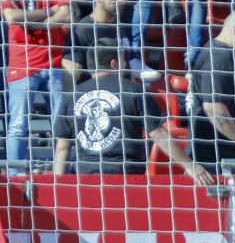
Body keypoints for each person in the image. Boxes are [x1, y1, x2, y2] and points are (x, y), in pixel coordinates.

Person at [53, 38, 214, 182]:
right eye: (124, 61)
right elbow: (158, 134)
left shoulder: (71, 97)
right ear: (114, 64)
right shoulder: (133, 90)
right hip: (126, 176)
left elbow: (62, 147)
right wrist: (190, 165)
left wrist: (57, 186)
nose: (126, 66)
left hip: (86, 177)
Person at [0, 0, 70, 172]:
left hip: (53, 61)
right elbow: (11, 17)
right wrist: (47, 13)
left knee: (61, 123)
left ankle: (63, 175)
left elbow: (67, 15)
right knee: (18, 125)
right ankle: (15, 175)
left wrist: (29, 19)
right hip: (22, 64)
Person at [189, 7, 235, 172]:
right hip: (221, 163)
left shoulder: (222, 54)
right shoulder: (220, 58)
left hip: (227, 158)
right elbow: (213, 108)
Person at [63, 0, 155, 88]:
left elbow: (128, 69)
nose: (122, 0)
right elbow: (69, 78)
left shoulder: (120, 25)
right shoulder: (82, 30)